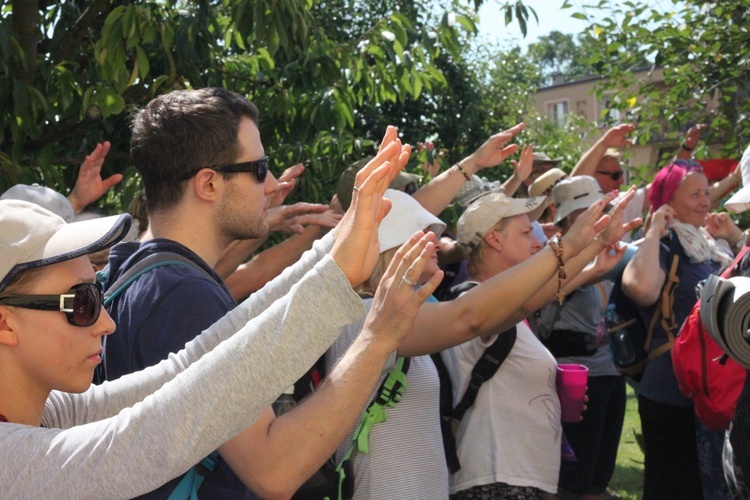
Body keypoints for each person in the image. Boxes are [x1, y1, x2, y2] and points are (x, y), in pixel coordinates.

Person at [0, 171, 440, 498]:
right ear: (4, 323)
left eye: (98, 293)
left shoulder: (46, 413)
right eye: (81, 304)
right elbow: (163, 429)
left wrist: (332, 256)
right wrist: (370, 330)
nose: (106, 322)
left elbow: (188, 367)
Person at [102, 86, 421, 498]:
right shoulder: (181, 294)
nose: (271, 184)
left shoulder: (135, 271)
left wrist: (335, 253)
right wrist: (378, 338)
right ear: (209, 185)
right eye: (259, 168)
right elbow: (274, 469)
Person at [326, 184, 639, 499]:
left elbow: (521, 306)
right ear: (392, 247)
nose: (436, 241)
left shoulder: (402, 313)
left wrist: (594, 244)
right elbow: (471, 317)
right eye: (422, 232)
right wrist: (565, 249)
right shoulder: (367, 317)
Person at [440, 189, 630, 499]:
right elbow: (549, 284)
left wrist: (598, 244)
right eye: (527, 232)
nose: (538, 241)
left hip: (514, 478)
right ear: (494, 240)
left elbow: (551, 284)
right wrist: (589, 244)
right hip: (498, 480)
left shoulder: (505, 307)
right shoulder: (475, 300)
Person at [621, 159, 743, 499]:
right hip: (670, 393)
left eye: (707, 193)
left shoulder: (710, 248)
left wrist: (734, 237)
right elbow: (642, 290)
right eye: (694, 194)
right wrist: (653, 230)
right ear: (668, 201)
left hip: (712, 390)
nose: (705, 201)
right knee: (673, 488)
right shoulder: (664, 246)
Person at [535, 176, 628, 500]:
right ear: (566, 220)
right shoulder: (554, 256)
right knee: (574, 478)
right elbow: (551, 292)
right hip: (575, 378)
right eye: (586, 211)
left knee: (599, 478)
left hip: (611, 373)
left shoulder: (607, 251)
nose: (596, 216)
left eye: (599, 208)